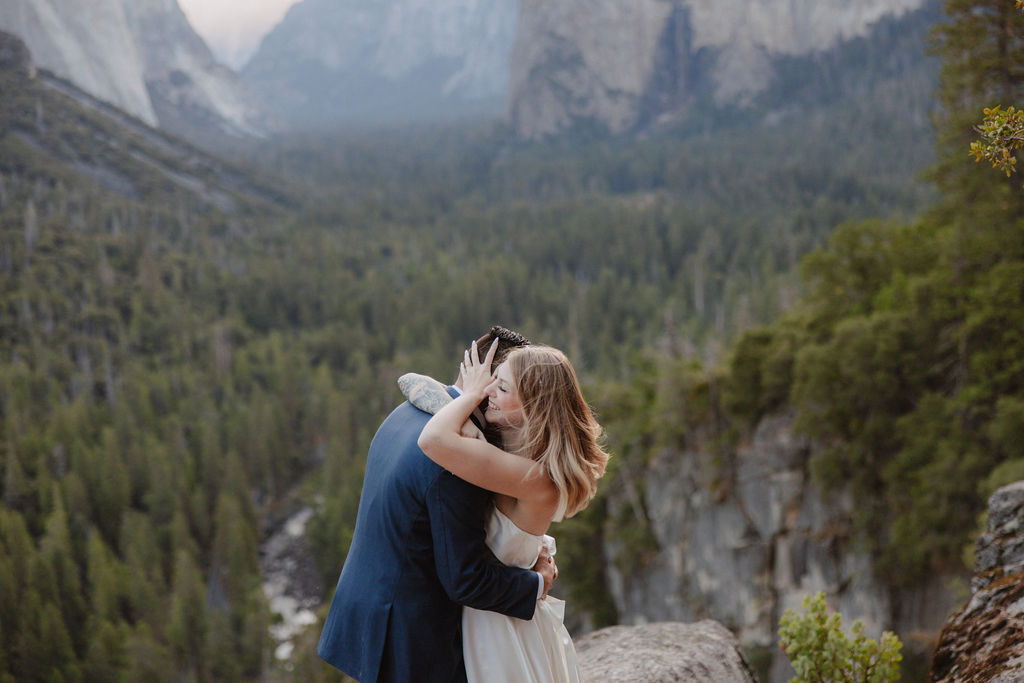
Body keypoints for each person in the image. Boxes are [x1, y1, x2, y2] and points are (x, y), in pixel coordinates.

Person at [317, 327, 556, 683]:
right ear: (488, 385)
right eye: (507, 384)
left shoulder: (408, 410)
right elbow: (465, 580)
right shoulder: (458, 458)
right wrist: (537, 583)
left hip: (363, 608)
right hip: (407, 631)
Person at [412, 338, 610, 683]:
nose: (488, 389)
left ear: (534, 405)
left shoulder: (537, 477)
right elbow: (410, 381)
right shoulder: (513, 454)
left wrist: (468, 397)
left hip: (501, 628)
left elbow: (432, 440)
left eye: (501, 387)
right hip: (491, 614)